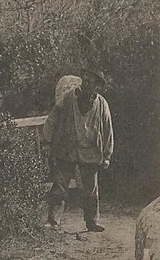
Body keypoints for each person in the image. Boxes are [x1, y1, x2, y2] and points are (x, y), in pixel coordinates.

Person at [42, 66, 114, 233]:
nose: (88, 84)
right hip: (67, 149)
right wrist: (46, 141)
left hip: (90, 151)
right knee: (59, 186)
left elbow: (108, 130)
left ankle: (92, 222)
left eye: (92, 82)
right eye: (86, 80)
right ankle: (53, 221)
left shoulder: (102, 105)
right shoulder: (68, 98)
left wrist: (107, 154)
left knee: (91, 189)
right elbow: (52, 119)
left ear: (97, 86)